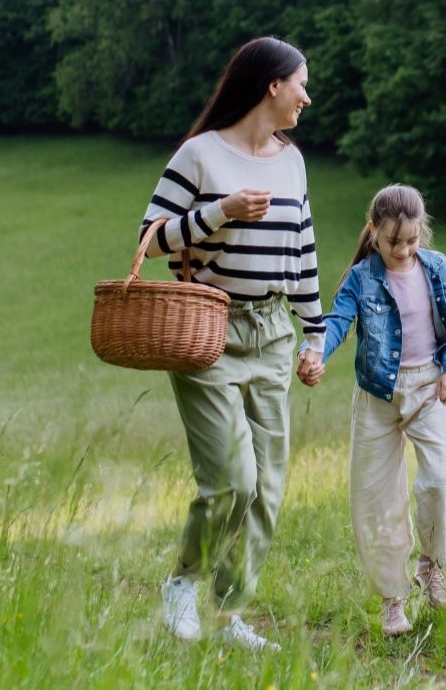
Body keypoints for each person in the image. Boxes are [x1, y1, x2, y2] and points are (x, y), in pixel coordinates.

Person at [145, 37, 321, 650]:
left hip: (274, 331)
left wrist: (315, 331)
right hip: (209, 331)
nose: (307, 95)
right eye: (301, 83)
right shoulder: (199, 156)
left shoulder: (291, 160)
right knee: (231, 479)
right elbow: (152, 238)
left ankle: (229, 614)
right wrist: (219, 212)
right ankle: (183, 585)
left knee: (269, 486)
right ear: (272, 86)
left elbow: (303, 248)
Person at [301, 184, 446, 637]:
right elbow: (338, 320)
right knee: (376, 501)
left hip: (426, 389)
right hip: (378, 395)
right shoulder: (362, 278)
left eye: (412, 240)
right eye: (394, 241)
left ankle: (430, 565)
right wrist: (315, 351)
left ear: (422, 232)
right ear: (374, 231)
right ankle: (394, 600)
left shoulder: (437, 269)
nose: (404, 249)